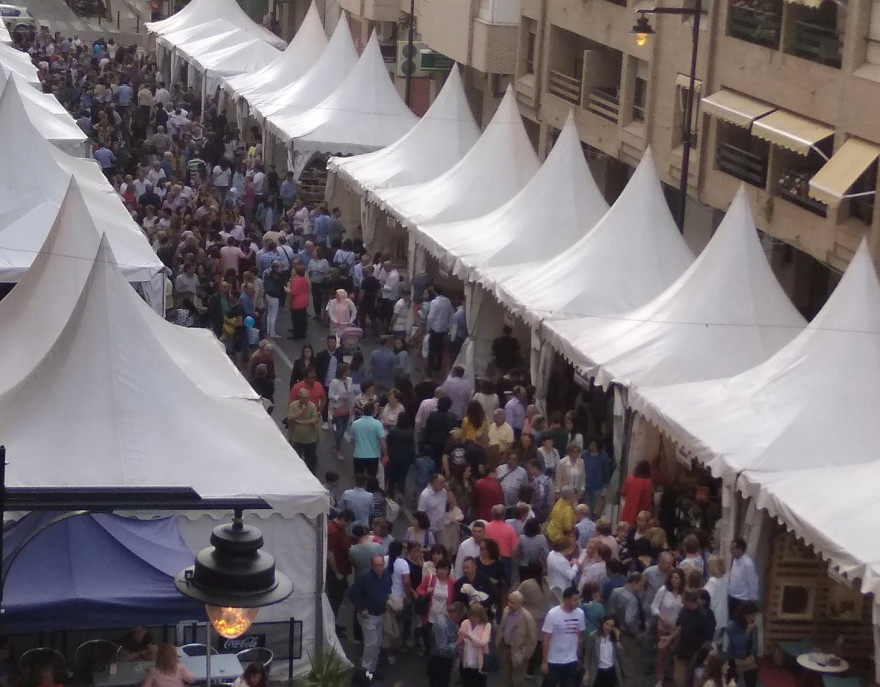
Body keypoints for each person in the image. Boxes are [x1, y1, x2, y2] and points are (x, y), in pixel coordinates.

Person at [348, 555, 392, 677]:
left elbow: (388, 589)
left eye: (381, 565)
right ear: (372, 566)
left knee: (377, 643)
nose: (379, 567)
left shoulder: (386, 575)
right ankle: (365, 671)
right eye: (376, 565)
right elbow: (352, 593)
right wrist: (362, 608)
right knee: (371, 643)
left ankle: (372, 669)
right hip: (369, 616)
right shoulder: (365, 578)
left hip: (381, 614)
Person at [666, 590, 715, 687]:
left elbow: (709, 637)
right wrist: (670, 637)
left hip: (695, 651)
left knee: (688, 678)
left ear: (689, 601)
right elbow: (680, 627)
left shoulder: (705, 616)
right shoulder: (684, 611)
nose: (682, 601)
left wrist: (704, 654)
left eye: (683, 599)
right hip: (681, 648)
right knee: (678, 679)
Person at [540, 586, 585, 687]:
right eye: (574, 600)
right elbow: (546, 638)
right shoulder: (553, 614)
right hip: (553, 660)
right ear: (566, 600)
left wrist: (579, 656)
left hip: (571, 660)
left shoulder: (580, 614)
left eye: (578, 599)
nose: (577, 602)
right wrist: (544, 661)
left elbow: (580, 636)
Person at [605, 572, 644, 687]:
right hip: (627, 636)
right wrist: (636, 633)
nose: (641, 588)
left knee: (616, 662)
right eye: (641, 585)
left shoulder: (615, 591)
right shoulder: (632, 600)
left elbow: (610, 611)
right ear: (634, 583)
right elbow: (629, 621)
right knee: (629, 667)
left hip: (613, 631)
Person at [651, 568, 686, 687]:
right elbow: (654, 607)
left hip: (677, 629)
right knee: (662, 654)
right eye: (672, 577)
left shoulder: (683, 593)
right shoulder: (663, 590)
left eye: (677, 578)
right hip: (663, 627)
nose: (674, 580)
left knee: (675, 654)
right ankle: (659, 680)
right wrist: (662, 617)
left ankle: (674, 675)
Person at [498, 590, 539, 687]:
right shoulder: (506, 611)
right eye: (509, 601)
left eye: (512, 603)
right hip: (505, 648)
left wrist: (524, 654)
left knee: (517, 681)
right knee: (506, 678)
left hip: (519, 653)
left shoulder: (527, 618)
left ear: (520, 604)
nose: (509, 604)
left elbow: (533, 640)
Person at [326, 509, 355, 637]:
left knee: (336, 601)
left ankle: (333, 624)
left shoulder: (338, 529)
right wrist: (337, 573)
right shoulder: (334, 531)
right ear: (342, 518)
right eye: (347, 522)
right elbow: (330, 554)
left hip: (341, 570)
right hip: (336, 573)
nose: (347, 525)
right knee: (334, 601)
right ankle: (331, 627)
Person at [428, 601, 467, 687]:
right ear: (455, 614)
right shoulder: (442, 625)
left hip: (446, 661)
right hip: (439, 662)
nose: (460, 619)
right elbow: (441, 649)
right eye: (460, 617)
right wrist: (457, 643)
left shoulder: (451, 622)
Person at [285, 387, 320, 474]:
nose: (306, 400)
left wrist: (301, 421)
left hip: (309, 440)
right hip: (295, 438)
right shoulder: (293, 405)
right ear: (299, 397)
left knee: (310, 462)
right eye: (304, 398)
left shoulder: (312, 406)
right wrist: (301, 411)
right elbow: (290, 417)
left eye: (307, 397)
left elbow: (314, 420)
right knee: (295, 461)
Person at [725, 600, 759, 687]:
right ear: (746, 614)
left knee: (751, 680)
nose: (754, 617)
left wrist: (755, 654)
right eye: (753, 615)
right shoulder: (732, 626)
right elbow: (739, 644)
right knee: (731, 682)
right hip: (734, 659)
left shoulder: (750, 624)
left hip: (748, 657)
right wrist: (748, 631)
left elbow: (754, 642)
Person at [584, 615, 624, 687]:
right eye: (606, 624)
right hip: (598, 671)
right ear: (602, 623)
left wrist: (617, 638)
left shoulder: (614, 638)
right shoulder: (593, 636)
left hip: (611, 671)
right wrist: (587, 672)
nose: (608, 627)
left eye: (611, 626)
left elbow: (620, 656)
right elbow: (587, 656)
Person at [349, 403, 387, 477]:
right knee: (372, 478)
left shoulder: (355, 424)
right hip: (373, 456)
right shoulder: (377, 424)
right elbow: (382, 441)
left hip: (359, 455)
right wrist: (385, 454)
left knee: (358, 477)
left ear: (363, 411)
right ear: (373, 412)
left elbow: (352, 441)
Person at [327, 363, 354, 461]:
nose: (349, 372)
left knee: (343, 429)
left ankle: (337, 442)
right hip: (338, 407)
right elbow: (330, 395)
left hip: (347, 408)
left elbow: (351, 394)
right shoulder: (335, 382)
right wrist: (339, 397)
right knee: (340, 429)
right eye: (347, 370)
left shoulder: (349, 380)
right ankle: (338, 449)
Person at [728, 539, 759, 618]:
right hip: (732, 597)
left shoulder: (748, 564)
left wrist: (752, 600)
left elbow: (752, 583)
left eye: (733, 549)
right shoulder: (735, 560)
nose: (731, 551)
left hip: (742, 599)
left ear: (740, 549)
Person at [425, 287, 453, 375]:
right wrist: (448, 327)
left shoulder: (434, 302)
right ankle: (438, 366)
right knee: (440, 348)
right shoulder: (448, 301)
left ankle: (431, 366)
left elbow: (430, 316)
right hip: (443, 329)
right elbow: (451, 314)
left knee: (431, 348)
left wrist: (428, 328)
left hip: (434, 328)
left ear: (436, 292)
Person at [703, 556, 729, 646]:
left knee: (711, 644)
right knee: (717, 642)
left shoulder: (712, 581)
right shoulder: (726, 579)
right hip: (723, 615)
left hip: (714, 616)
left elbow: (706, 597)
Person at [619, 460, 654, 526]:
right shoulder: (647, 483)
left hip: (627, 512)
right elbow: (647, 501)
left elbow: (623, 492)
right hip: (639, 513)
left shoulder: (629, 479)